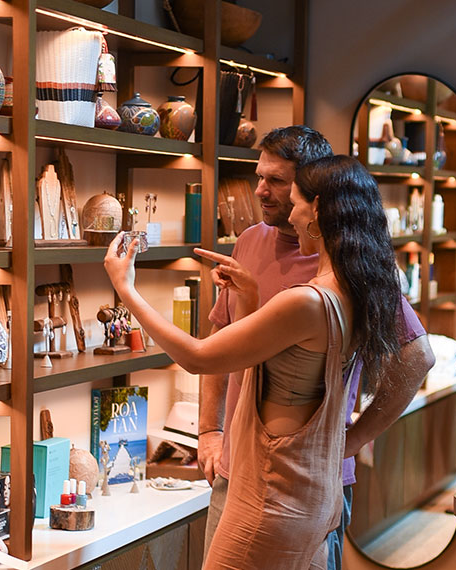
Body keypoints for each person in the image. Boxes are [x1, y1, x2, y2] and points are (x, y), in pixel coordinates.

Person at [104, 154, 411, 569]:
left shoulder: (305, 301)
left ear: (316, 211)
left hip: (270, 499)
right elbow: (272, 373)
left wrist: (126, 288)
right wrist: (248, 300)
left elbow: (196, 357)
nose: (290, 213)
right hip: (310, 495)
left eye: (298, 201)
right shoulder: (356, 291)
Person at [196, 127, 435, 570]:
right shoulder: (249, 241)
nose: (260, 191)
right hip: (235, 473)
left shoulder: (351, 264)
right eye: (259, 176)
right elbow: (221, 340)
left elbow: (417, 356)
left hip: (309, 482)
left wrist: (356, 438)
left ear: (314, 190)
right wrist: (209, 430)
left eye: (277, 181)